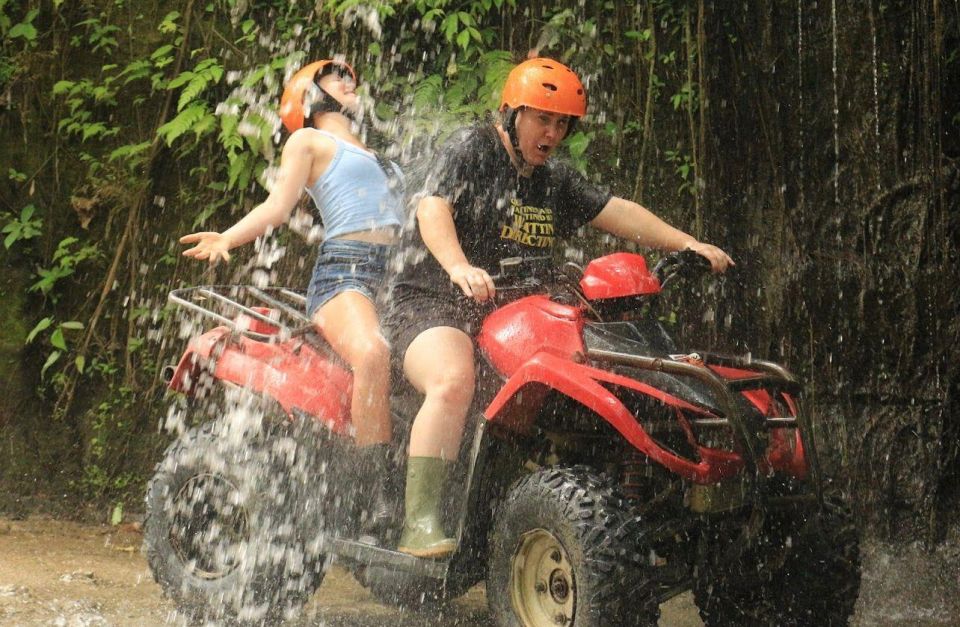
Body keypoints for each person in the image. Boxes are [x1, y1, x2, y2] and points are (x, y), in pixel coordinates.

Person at [385, 57, 734, 558]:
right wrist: (459, 267)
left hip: (507, 317)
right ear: (510, 114)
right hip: (433, 305)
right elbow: (432, 207)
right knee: (451, 379)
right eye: (542, 119)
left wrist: (688, 244)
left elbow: (618, 212)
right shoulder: (471, 150)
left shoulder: (553, 178)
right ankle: (419, 525)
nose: (553, 133)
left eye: (562, 123)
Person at [179, 58, 402, 537]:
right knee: (373, 353)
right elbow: (276, 207)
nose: (350, 81)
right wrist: (226, 239)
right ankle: (373, 499)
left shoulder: (380, 153)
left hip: (400, 281)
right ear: (311, 97)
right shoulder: (309, 141)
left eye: (351, 77)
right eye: (336, 77)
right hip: (345, 276)